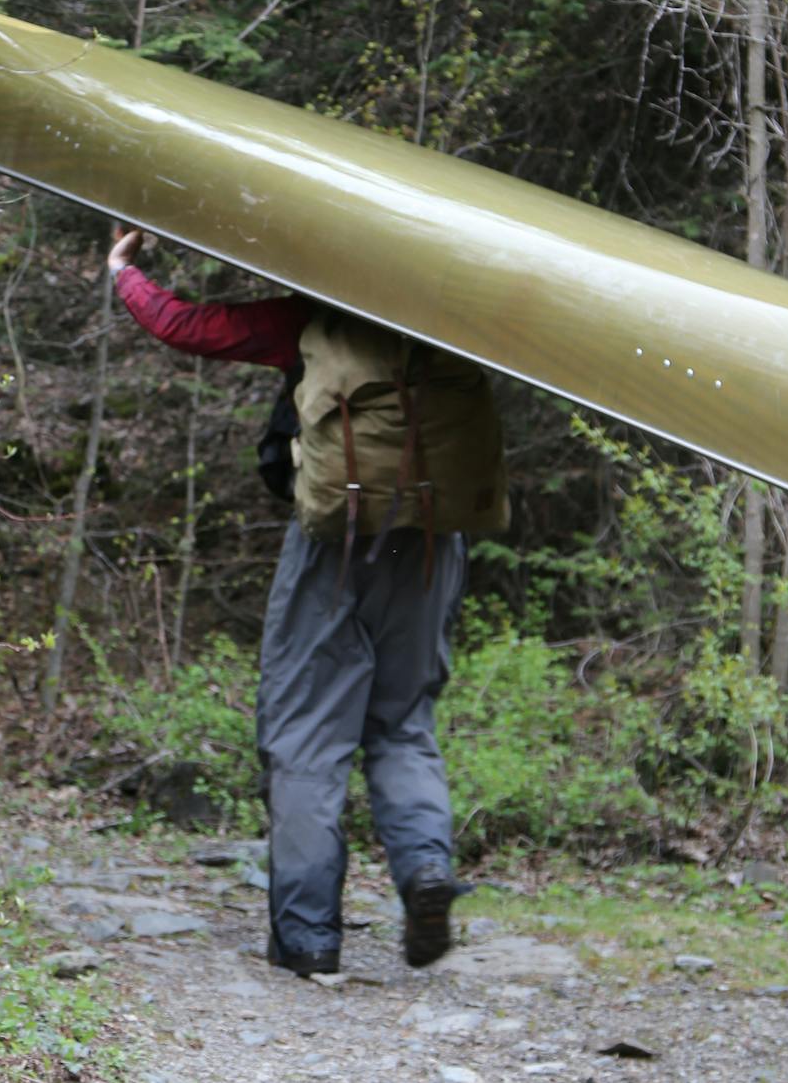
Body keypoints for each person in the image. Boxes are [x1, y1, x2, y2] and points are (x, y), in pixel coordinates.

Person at [107, 227, 507, 976]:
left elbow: (188, 327)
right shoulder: (462, 319)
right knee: (403, 722)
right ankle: (424, 869)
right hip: (427, 544)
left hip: (338, 541)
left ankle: (309, 937)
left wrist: (124, 270)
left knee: (305, 739)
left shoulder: (318, 316)